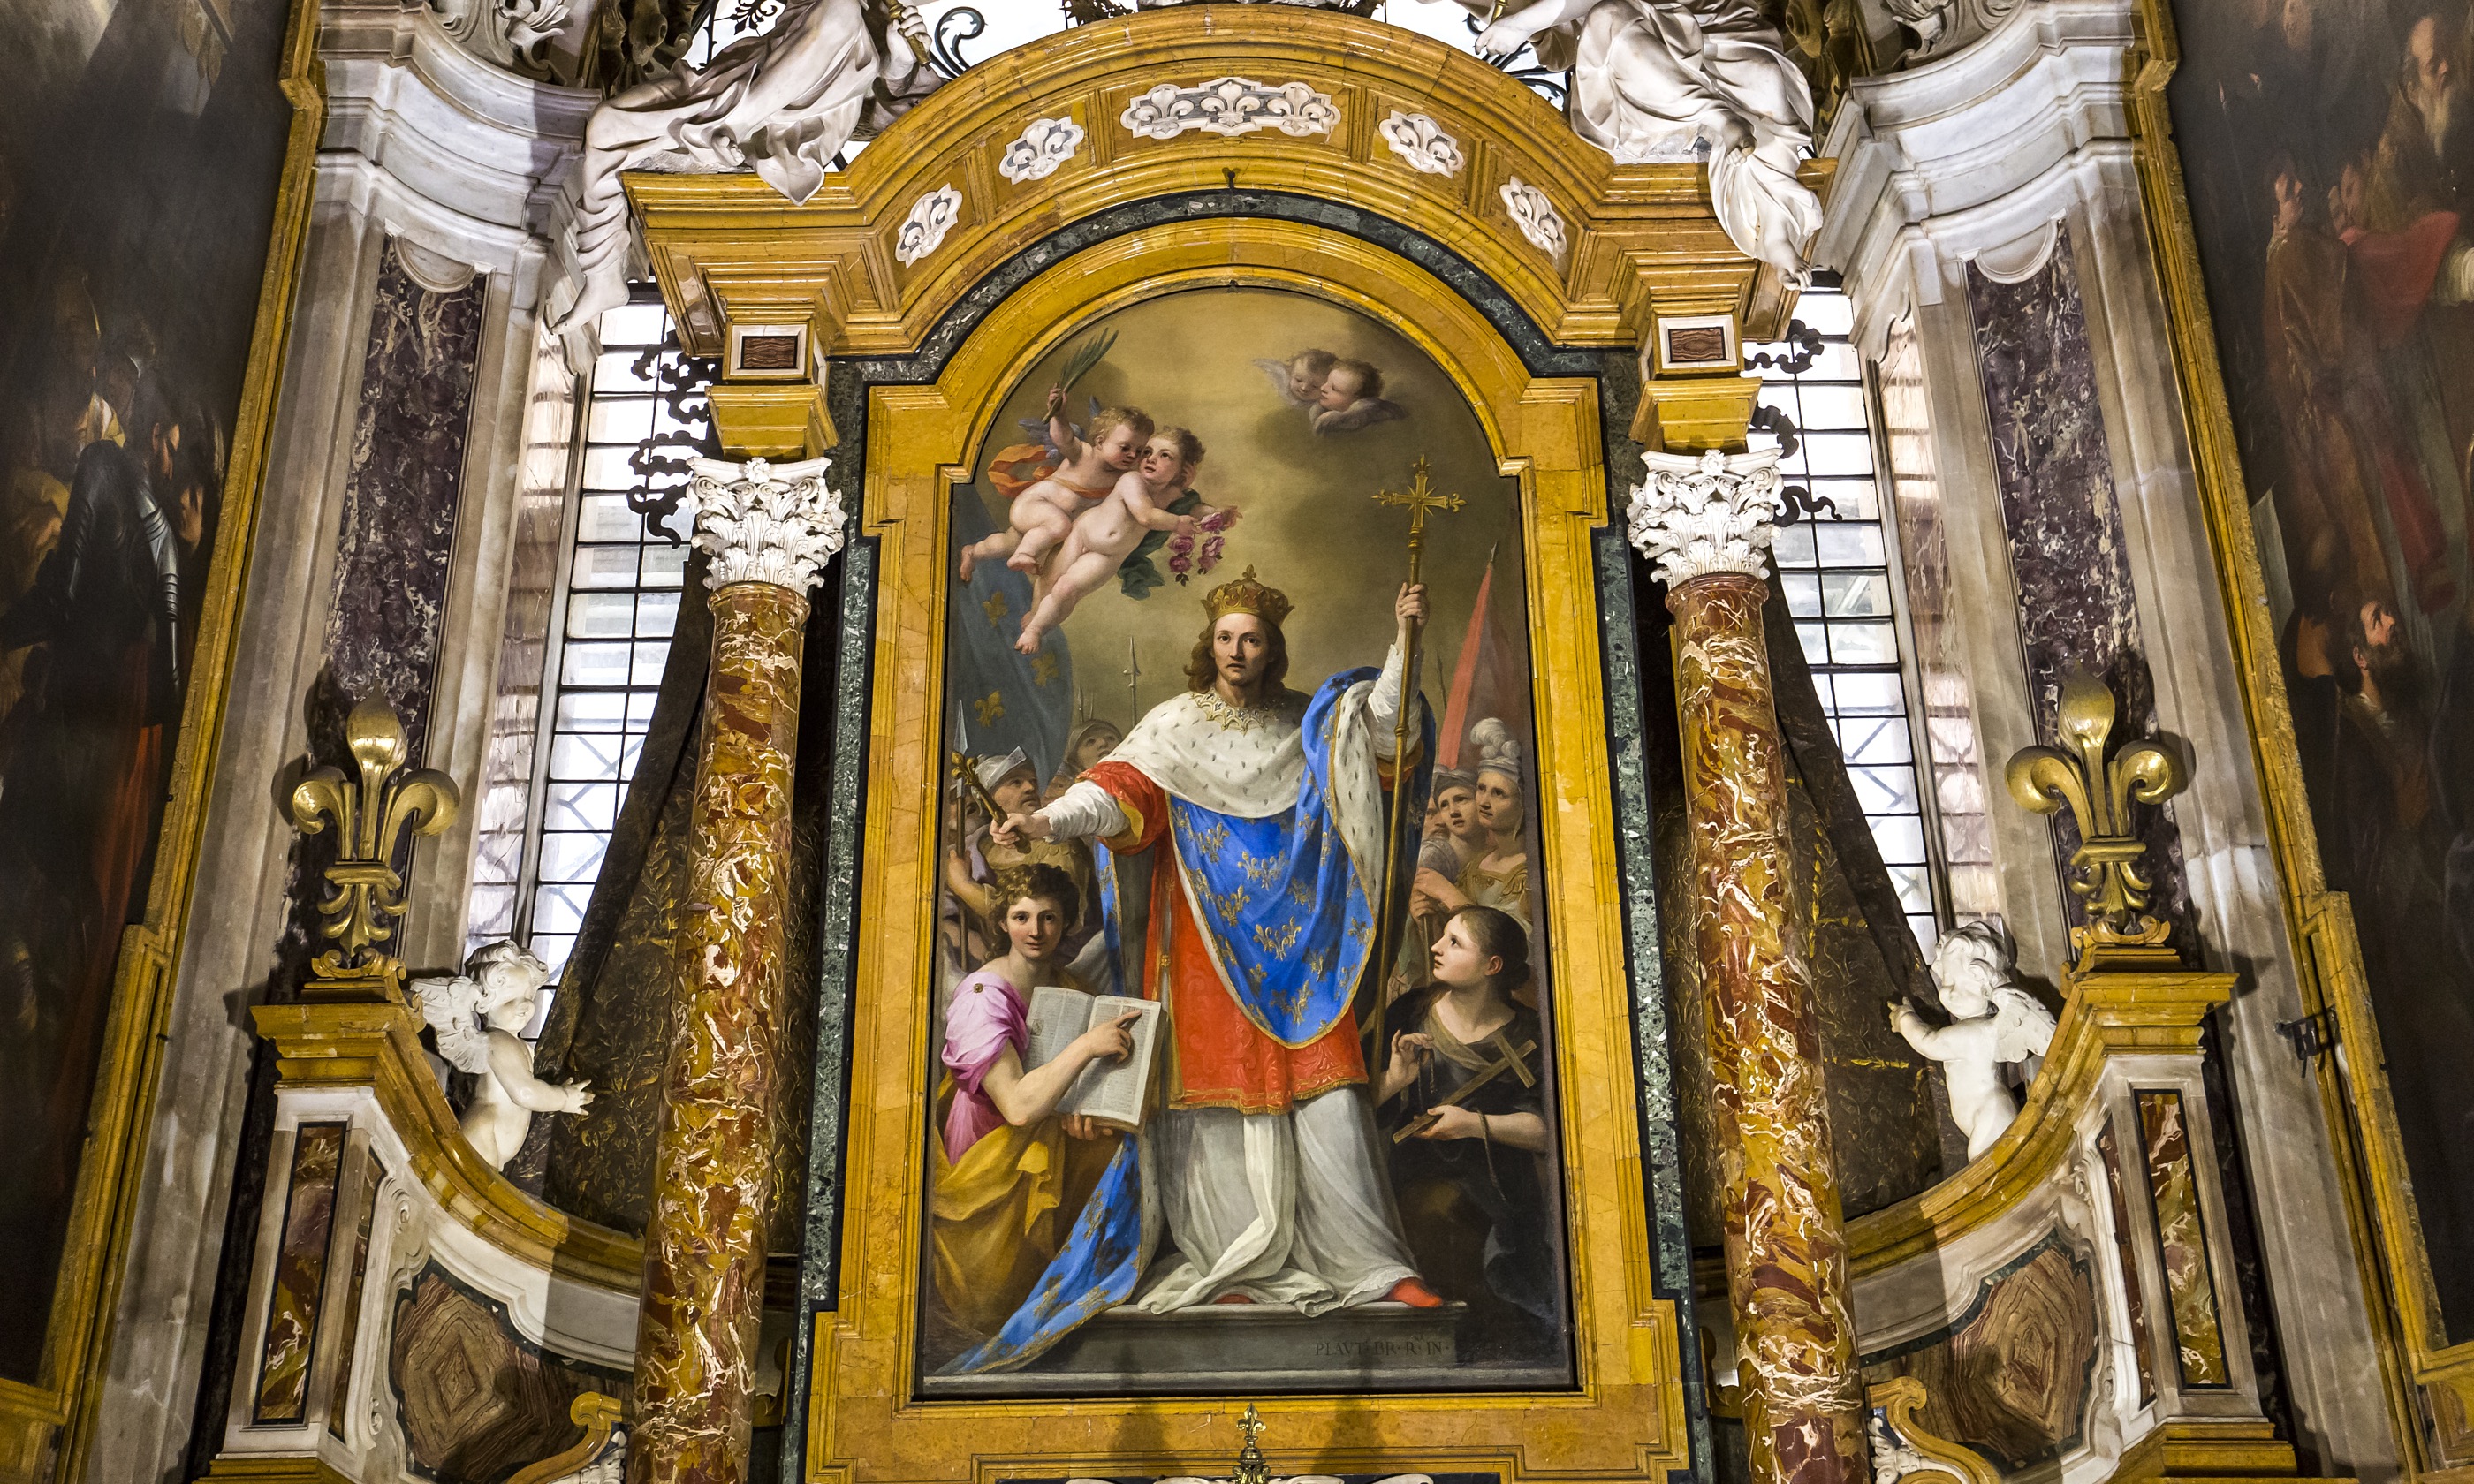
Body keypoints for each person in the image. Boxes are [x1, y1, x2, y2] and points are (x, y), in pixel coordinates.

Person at [952, 566, 1442, 1374]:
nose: (1238, 650)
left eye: (1252, 638)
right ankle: (1233, 1264)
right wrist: (1045, 816)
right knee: (1214, 1096)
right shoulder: (1176, 724)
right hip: (1203, 942)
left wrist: (1403, 643)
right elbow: (1115, 795)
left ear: (1272, 647)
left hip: (1298, 947)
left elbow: (1387, 737)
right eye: (1225, 638)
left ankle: (1370, 1268)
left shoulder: (1310, 723)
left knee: (1325, 1092)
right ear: (1207, 646)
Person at [930, 865, 1135, 1336]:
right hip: (992, 1154)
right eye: (1022, 917)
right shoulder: (982, 996)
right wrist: (1086, 1047)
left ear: (1064, 924)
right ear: (1002, 922)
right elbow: (1019, 1107)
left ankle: (1088, 1296)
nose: (1036, 930)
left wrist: (1084, 1113)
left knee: (1121, 1155)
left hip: (1045, 1137)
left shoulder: (1067, 987)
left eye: (1048, 918)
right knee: (997, 1295)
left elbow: (1070, 1091)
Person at [1376, 905, 1559, 1359]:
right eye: (1442, 937)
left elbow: (1546, 1132)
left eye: (1455, 942)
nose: (1437, 947)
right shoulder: (1411, 1013)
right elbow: (1354, 1105)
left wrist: (1473, 1126)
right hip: (1409, 1179)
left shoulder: (1530, 1034)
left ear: (1492, 966)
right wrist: (1397, 1077)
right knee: (1430, 1212)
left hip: (1498, 1190)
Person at [1013, 427, 1203, 654]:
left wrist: (1217, 512)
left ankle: (1037, 628)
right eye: (1148, 451)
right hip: (1082, 532)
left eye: (1165, 456)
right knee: (1049, 579)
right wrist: (1176, 523)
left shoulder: (1174, 495)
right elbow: (1146, 515)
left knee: (1067, 589)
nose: (1151, 458)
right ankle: (1036, 613)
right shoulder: (1132, 480)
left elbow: (1196, 507)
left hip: (1107, 556)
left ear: (1182, 470)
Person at [960, 393, 1153, 582]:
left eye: (1139, 451)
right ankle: (1024, 554)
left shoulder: (1124, 478)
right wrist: (1059, 415)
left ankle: (973, 552)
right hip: (1034, 504)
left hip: (1046, 522)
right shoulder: (1084, 454)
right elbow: (1063, 439)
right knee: (1058, 526)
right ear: (1101, 442)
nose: (1132, 455)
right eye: (1125, 447)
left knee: (1008, 543)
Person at [945, 748, 1097, 968]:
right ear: (985, 796)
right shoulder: (978, 845)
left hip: (1057, 964)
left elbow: (1045, 919)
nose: (1030, 787)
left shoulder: (1057, 848)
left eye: (1032, 781)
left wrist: (965, 887)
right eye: (1016, 782)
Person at [1418, 718, 1535, 940]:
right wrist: (1427, 918)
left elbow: (1507, 942)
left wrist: (1447, 893)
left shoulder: (1531, 872)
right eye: (1481, 789)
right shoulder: (1474, 866)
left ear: (1523, 804)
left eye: (1498, 793)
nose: (1483, 802)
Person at [1046, 717, 1126, 804]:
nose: (1103, 742)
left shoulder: (1138, 781)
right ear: (1075, 762)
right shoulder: (1076, 798)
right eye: (1090, 742)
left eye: (1110, 738)